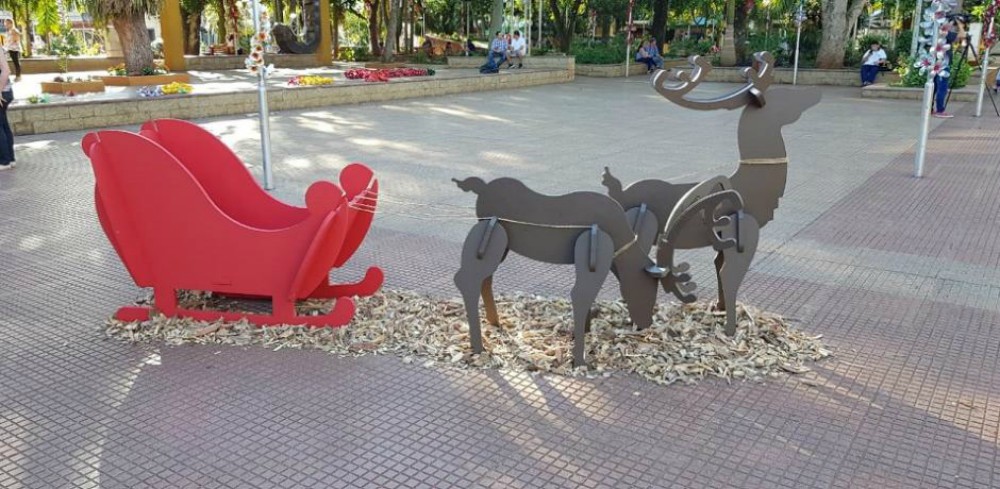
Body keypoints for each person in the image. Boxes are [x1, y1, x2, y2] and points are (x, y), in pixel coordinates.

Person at [933, 16, 966, 118]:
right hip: (943, 64)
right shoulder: (945, 33)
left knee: (935, 87)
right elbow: (962, 36)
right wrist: (960, 25)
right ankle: (939, 110)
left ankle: (930, 108)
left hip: (934, 62)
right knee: (942, 87)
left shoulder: (936, 31)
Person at [0, 43, 15, 170]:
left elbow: (6, 70)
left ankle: (4, 161)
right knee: (3, 124)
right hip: (5, 92)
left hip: (2, 92)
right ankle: (10, 158)